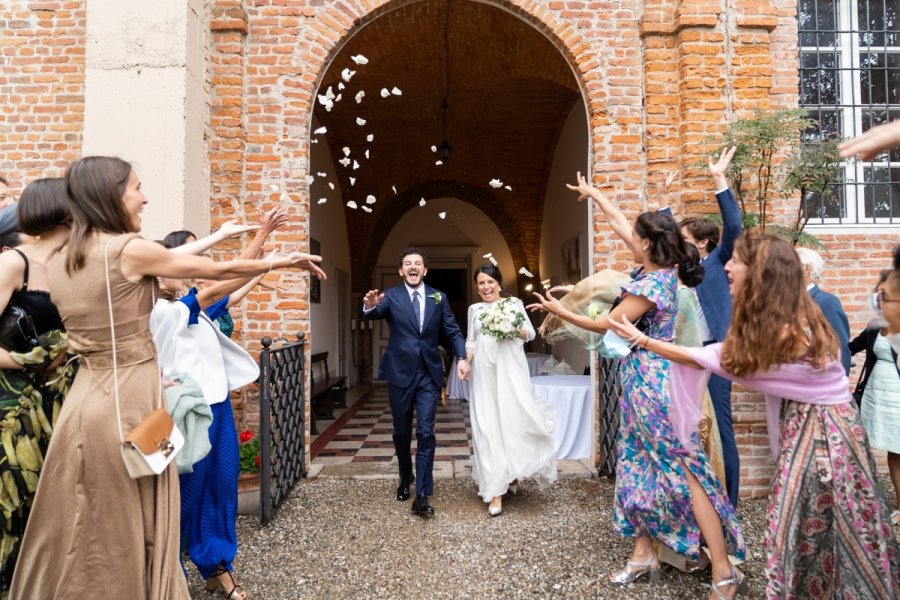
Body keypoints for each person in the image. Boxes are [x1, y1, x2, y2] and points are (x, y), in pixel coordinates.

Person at [10, 156, 325, 599]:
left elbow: (182, 271)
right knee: (152, 506)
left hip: (86, 403)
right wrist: (277, 260)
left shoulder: (64, 260)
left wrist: (239, 243)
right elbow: (213, 276)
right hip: (136, 404)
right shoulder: (125, 250)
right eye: (136, 187)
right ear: (110, 194)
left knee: (93, 511)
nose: (144, 197)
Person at [609, 232, 900, 599]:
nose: (727, 265)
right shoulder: (782, 314)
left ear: (760, 271)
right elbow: (725, 355)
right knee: (811, 529)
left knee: (817, 527)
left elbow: (728, 360)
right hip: (811, 427)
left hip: (824, 439)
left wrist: (647, 342)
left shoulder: (789, 327)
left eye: (736, 261)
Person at [528, 173, 745, 599]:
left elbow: (605, 323)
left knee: (686, 467)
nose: (630, 237)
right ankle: (643, 552)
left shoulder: (652, 283)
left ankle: (722, 567)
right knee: (636, 464)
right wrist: (595, 196)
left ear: (648, 244)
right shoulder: (653, 265)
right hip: (639, 379)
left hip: (654, 381)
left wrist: (560, 310)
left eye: (636, 236)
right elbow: (619, 223)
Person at [159, 210, 286, 600]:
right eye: (185, 259)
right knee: (178, 496)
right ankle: (167, 575)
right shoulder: (165, 310)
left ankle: (216, 566)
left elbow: (228, 285)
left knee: (221, 489)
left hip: (216, 411)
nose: (194, 266)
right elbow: (219, 285)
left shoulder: (194, 306)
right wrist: (263, 247)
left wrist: (261, 241)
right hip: (177, 416)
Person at [0, 178, 76, 594]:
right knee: (11, 507)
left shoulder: (70, 266)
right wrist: (34, 360)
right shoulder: (14, 263)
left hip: (59, 403)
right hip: (12, 408)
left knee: (50, 511)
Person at [361, 247, 470, 518]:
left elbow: (453, 331)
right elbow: (373, 313)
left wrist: (463, 357)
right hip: (399, 374)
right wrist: (370, 306)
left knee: (425, 432)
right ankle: (404, 476)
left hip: (429, 376)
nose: (413, 267)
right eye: (407, 263)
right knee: (401, 433)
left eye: (417, 263)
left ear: (425, 270)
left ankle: (421, 494)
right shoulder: (391, 296)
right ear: (401, 270)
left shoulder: (438, 296)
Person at [676, 147, 742, 508]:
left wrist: (719, 179)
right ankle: (692, 500)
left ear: (702, 242)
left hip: (715, 353)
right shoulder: (681, 271)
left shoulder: (719, 259)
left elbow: (734, 226)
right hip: (685, 355)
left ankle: (728, 503)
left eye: (685, 240)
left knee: (721, 426)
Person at [465, 264, 556, 517]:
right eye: (481, 283)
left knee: (512, 420)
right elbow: (471, 339)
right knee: (487, 424)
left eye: (490, 282)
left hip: (509, 371)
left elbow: (529, 334)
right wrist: (466, 362)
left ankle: (511, 472)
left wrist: (510, 326)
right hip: (484, 372)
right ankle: (495, 489)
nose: (486, 287)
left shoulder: (513, 303)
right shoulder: (475, 309)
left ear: (498, 283)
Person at [849, 270, 900, 525]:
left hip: (898, 395)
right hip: (876, 394)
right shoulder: (875, 325)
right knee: (893, 450)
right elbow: (851, 347)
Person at [796, 247, 851, 374]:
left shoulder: (827, 302)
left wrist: (840, 382)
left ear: (807, 269)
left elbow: (841, 345)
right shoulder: (785, 300)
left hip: (817, 380)